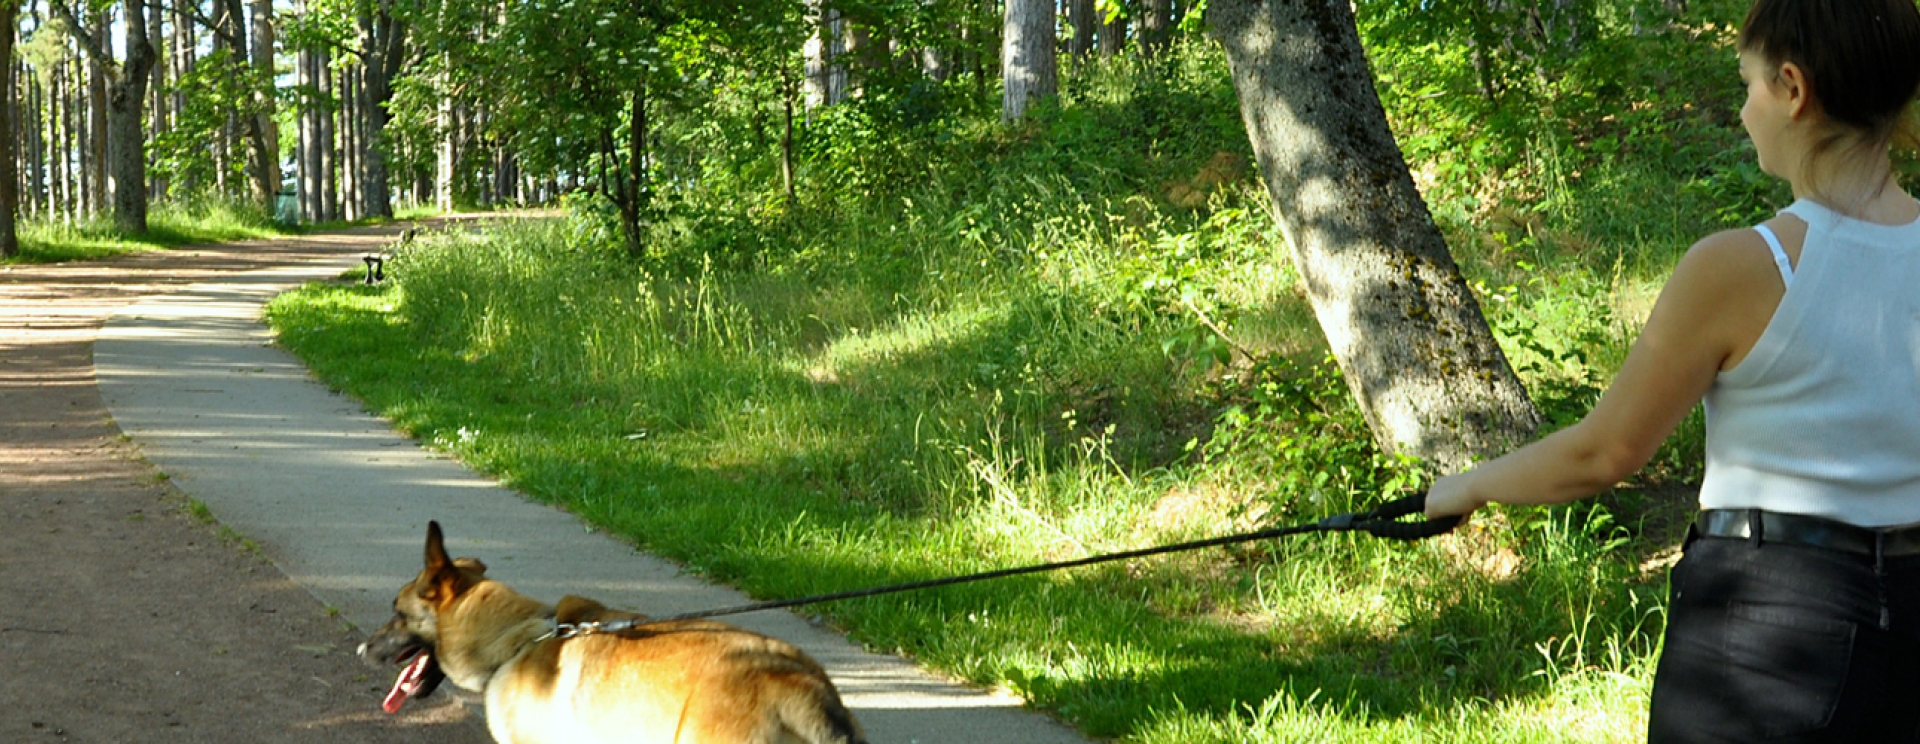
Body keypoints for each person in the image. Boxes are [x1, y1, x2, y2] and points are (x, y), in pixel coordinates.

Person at [1421, 0, 1920, 740]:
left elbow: (1604, 453)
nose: (1745, 108)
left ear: (1792, 87)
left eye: (1747, 84)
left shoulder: (1746, 266)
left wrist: (1465, 487)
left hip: (1771, 628)